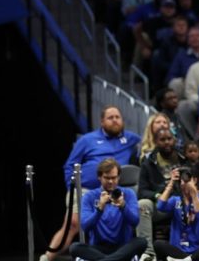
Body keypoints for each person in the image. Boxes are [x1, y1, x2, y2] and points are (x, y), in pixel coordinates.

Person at [41, 106, 140, 261]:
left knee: (129, 223)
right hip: (85, 189)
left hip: (116, 191)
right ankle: (47, 257)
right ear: (102, 121)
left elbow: (148, 144)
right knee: (74, 223)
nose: (115, 120)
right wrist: (73, 189)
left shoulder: (131, 139)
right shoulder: (87, 140)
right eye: (110, 117)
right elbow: (70, 166)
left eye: (117, 117)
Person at [69, 158, 147, 261]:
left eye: (114, 178)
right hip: (98, 248)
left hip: (122, 248)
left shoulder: (128, 194)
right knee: (74, 247)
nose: (110, 181)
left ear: (119, 177)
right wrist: (99, 208)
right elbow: (85, 226)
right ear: (99, 177)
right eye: (107, 178)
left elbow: (135, 222)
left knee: (141, 242)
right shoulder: (89, 196)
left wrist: (123, 206)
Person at [154, 165, 199, 260]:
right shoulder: (175, 200)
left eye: (186, 180)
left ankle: (189, 259)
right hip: (178, 249)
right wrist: (171, 184)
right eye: (180, 181)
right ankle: (191, 259)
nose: (183, 183)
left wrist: (194, 193)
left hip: (198, 249)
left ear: (195, 180)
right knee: (158, 244)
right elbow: (160, 206)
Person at [137, 127, 188, 258]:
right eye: (162, 139)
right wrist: (158, 195)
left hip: (183, 203)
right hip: (160, 205)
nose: (166, 142)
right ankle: (147, 253)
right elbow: (142, 191)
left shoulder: (184, 158)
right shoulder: (148, 163)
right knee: (143, 204)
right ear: (156, 142)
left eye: (169, 139)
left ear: (174, 140)